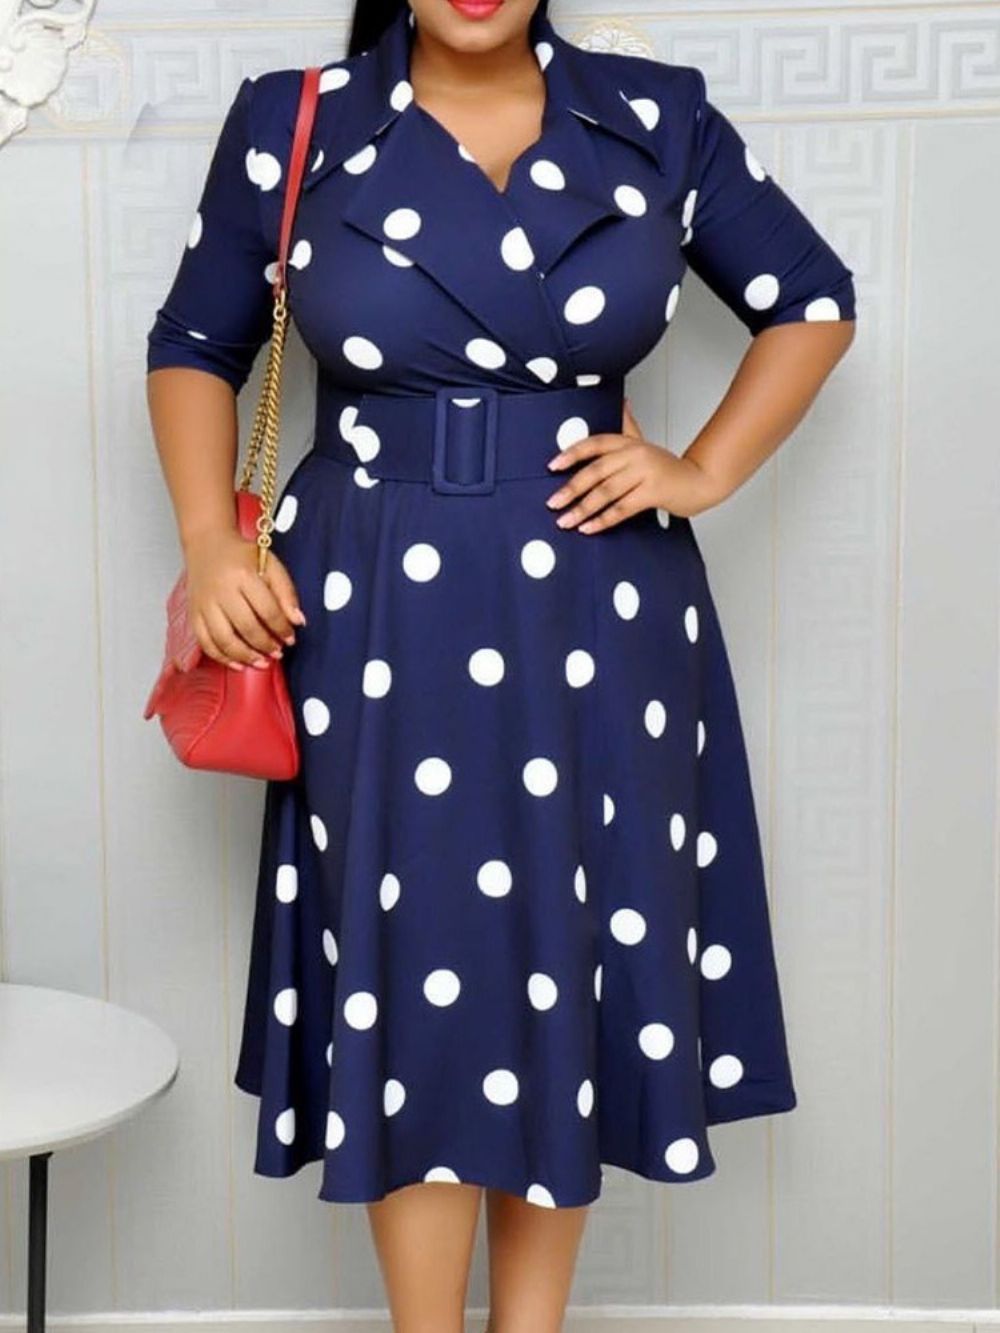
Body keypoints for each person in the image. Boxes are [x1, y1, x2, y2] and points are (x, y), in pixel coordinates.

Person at [145, 0, 857, 1327]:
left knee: (564, 954)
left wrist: (703, 468)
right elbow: (194, 343)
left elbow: (811, 301)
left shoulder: (654, 117)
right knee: (419, 967)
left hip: (598, 604)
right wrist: (208, 539)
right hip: (373, 610)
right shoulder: (296, 121)